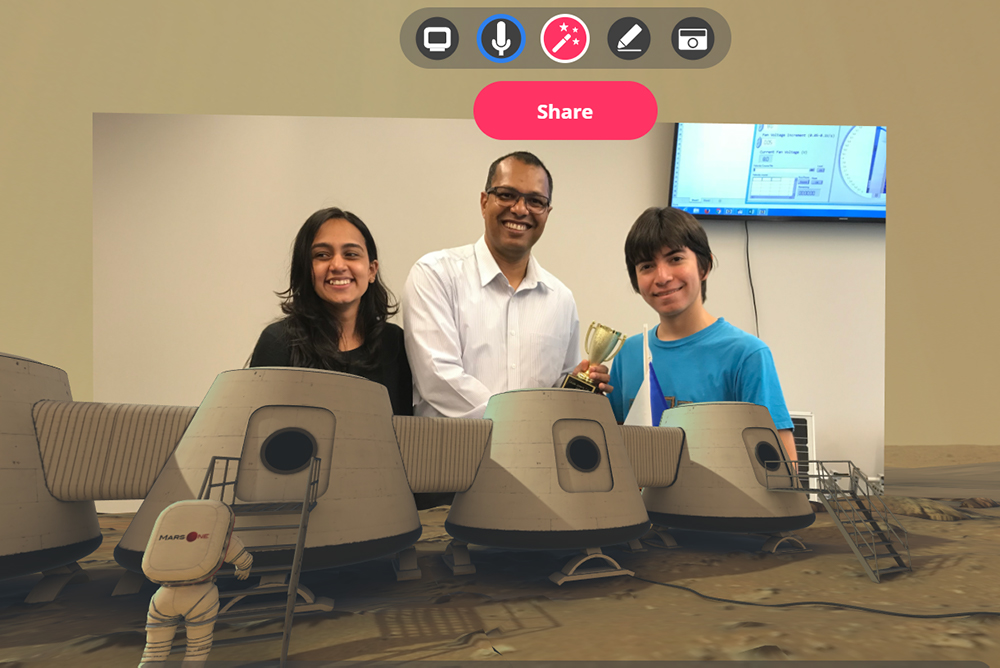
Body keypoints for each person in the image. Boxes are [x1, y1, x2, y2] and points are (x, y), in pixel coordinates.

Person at [402, 151, 610, 420]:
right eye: (507, 194)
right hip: (451, 454)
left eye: (536, 201)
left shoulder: (561, 299)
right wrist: (523, 423)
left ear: (547, 213)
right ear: (484, 202)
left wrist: (580, 385)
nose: (520, 209)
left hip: (536, 459)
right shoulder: (435, 275)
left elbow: (556, 389)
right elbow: (438, 379)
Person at [607, 206, 797, 461]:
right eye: (647, 266)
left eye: (675, 259)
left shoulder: (746, 355)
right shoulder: (627, 355)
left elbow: (782, 471)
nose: (662, 277)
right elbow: (612, 453)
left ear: (704, 266)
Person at [249, 207, 412, 417]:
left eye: (351, 254)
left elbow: (406, 429)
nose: (337, 265)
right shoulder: (279, 342)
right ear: (306, 270)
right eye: (322, 255)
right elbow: (258, 434)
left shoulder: (394, 342)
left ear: (372, 270)